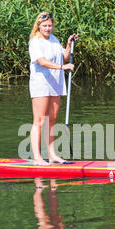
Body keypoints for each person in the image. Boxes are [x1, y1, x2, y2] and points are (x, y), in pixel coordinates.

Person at [28, 11, 79, 165]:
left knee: (52, 120)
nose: (47, 28)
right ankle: (37, 157)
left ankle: (52, 155)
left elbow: (64, 57)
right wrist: (63, 67)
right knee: (39, 120)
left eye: (50, 25)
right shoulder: (35, 42)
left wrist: (69, 44)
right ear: (39, 26)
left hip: (56, 83)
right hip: (41, 83)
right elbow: (42, 62)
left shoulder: (54, 40)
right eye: (44, 26)